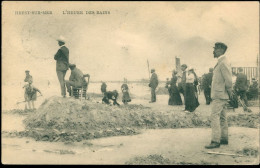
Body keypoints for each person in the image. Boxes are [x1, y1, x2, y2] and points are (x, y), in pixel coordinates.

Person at [205, 42, 233, 149]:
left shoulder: (223, 62)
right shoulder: (221, 62)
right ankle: (224, 139)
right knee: (222, 117)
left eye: (215, 49)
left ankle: (215, 141)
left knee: (214, 116)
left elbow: (228, 79)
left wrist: (230, 91)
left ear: (221, 50)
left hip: (219, 95)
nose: (214, 51)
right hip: (221, 94)